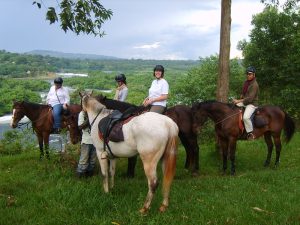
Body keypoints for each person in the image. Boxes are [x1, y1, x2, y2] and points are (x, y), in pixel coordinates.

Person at [233, 66, 259, 140]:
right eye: (247, 74)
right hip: (245, 102)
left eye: (250, 74)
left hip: (252, 104)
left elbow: (250, 99)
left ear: (254, 75)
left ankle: (250, 134)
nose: (248, 75)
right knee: (233, 107)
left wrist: (238, 101)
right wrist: (239, 98)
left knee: (246, 117)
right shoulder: (246, 82)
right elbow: (244, 93)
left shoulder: (255, 85)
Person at [76, 110, 97, 178]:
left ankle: (90, 175)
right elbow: (80, 127)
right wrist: (90, 118)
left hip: (96, 141)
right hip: (86, 141)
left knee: (93, 160)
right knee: (84, 159)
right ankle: (80, 176)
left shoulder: (97, 112)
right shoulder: (82, 113)